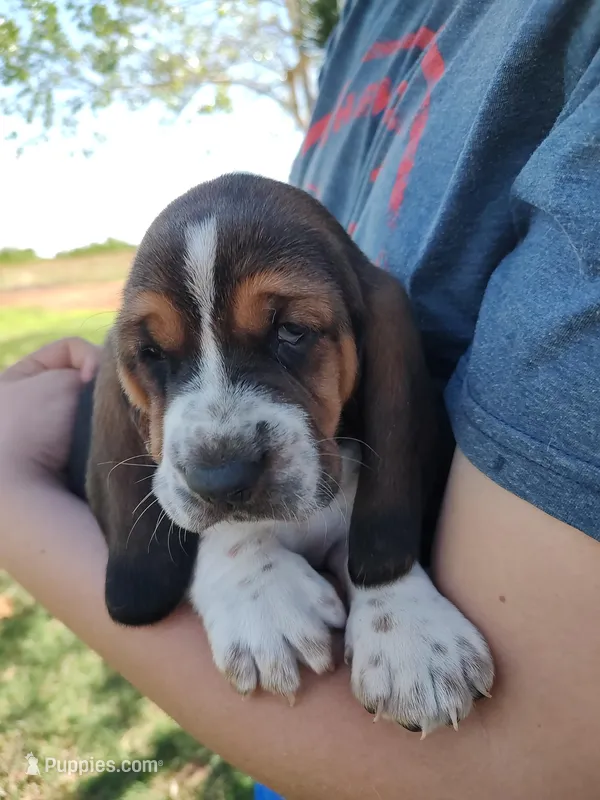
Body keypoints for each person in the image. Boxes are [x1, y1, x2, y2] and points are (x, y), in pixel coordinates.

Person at [2, 0, 600, 796]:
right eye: (156, 356)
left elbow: (523, 764)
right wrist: (229, 561)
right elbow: (147, 514)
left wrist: (386, 580)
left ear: (365, 335)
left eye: (289, 333)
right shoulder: (361, 22)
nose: (216, 450)